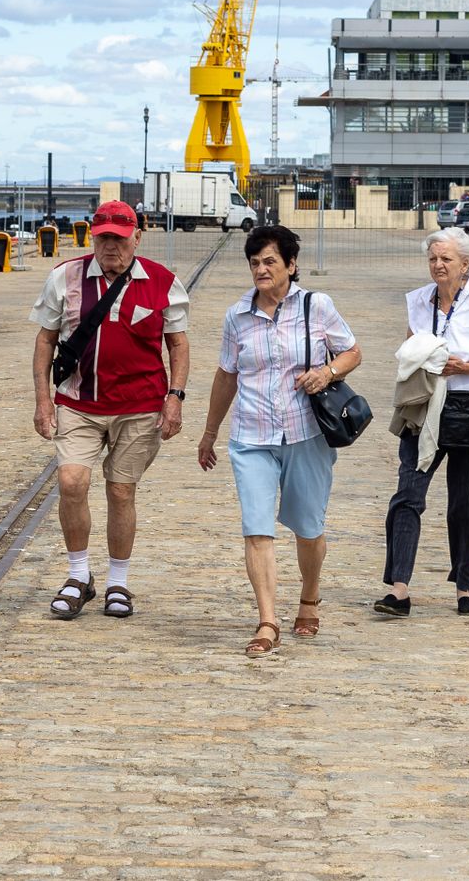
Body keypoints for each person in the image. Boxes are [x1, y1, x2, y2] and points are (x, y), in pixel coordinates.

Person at [197, 226, 360, 656]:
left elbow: (352, 351)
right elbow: (226, 374)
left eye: (270, 261)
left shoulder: (317, 306)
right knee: (257, 529)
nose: (261, 269)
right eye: (254, 263)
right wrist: (210, 432)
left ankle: (309, 595)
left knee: (308, 529)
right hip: (250, 435)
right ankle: (267, 621)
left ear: (291, 264)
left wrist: (328, 372)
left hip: (306, 433)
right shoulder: (237, 315)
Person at [31, 200, 189, 622]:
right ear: (93, 238)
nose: (110, 246)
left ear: (137, 237)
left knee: (121, 490)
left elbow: (178, 344)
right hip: (78, 402)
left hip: (139, 407)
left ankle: (118, 581)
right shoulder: (64, 278)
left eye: (119, 238)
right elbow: (46, 340)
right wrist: (43, 399)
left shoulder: (163, 282)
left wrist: (175, 396)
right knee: (71, 480)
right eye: (102, 237)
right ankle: (78, 575)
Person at [375, 228, 469, 618]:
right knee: (408, 496)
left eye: (446, 259)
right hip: (424, 413)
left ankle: (465, 587)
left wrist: (465, 366)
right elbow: (407, 352)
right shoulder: (418, 301)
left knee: (467, 503)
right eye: (433, 258)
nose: (438, 265)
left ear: (465, 264)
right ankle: (398, 590)